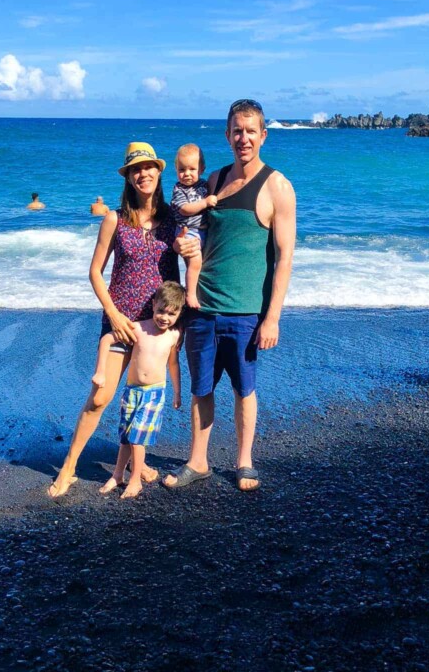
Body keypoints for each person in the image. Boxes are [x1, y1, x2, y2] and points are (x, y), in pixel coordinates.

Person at [164, 99, 296, 492]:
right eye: (237, 130)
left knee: (244, 389)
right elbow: (189, 228)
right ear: (227, 135)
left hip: (245, 313)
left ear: (263, 136)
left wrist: (272, 317)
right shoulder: (213, 181)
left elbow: (285, 257)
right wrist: (180, 247)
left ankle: (244, 462)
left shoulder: (277, 186)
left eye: (251, 130)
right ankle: (199, 461)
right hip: (202, 306)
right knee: (201, 388)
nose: (243, 138)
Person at [48, 141, 180, 498]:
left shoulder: (172, 220)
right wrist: (113, 313)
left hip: (156, 326)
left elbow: (192, 258)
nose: (143, 174)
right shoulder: (114, 219)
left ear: (158, 171)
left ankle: (138, 465)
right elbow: (94, 272)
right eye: (136, 169)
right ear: (128, 177)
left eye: (148, 167)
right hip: (120, 323)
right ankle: (69, 467)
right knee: (99, 399)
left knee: (144, 395)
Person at [96, 281, 184, 499]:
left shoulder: (173, 336)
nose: (165, 317)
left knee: (137, 438)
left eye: (172, 314)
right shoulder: (138, 328)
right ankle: (118, 475)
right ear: (153, 305)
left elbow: (173, 364)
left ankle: (135, 480)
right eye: (161, 310)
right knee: (126, 436)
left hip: (154, 393)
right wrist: (100, 371)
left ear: (179, 314)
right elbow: (107, 339)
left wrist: (177, 391)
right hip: (132, 391)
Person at [171, 144, 217, 309]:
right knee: (195, 261)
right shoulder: (179, 189)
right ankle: (190, 294)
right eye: (182, 169)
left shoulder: (204, 185)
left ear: (202, 169)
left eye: (192, 169)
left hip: (202, 230)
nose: (187, 174)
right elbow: (184, 210)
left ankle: (200, 291)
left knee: (203, 262)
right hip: (188, 230)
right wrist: (205, 202)